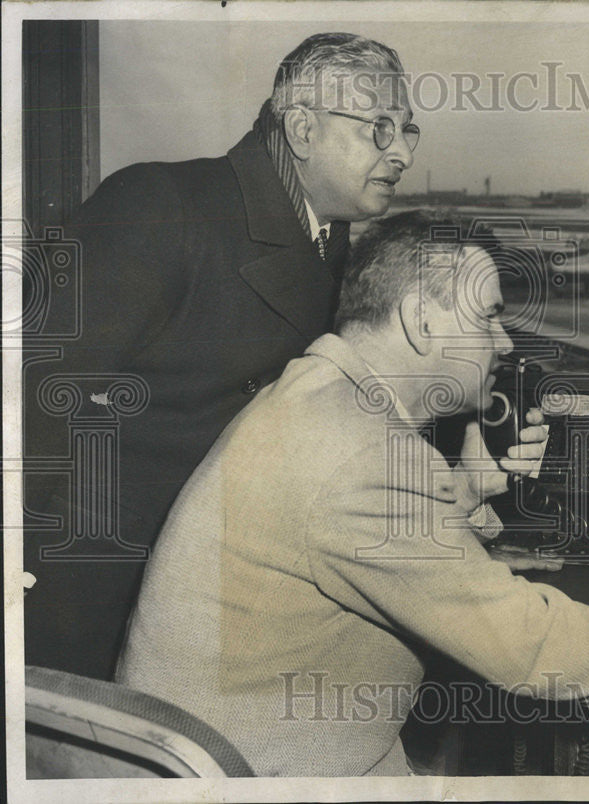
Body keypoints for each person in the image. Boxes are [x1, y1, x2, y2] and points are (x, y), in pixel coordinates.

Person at [116, 211, 589, 776]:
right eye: (487, 316)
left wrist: (469, 487)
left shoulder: (307, 399)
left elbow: (350, 541)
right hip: (273, 775)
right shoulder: (363, 453)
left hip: (231, 750)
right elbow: (525, 647)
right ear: (421, 321)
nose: (504, 340)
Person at [22, 32, 418, 680]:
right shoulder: (159, 208)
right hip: (84, 603)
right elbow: (31, 396)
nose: (400, 152)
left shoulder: (330, 244)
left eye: (408, 131)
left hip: (209, 595)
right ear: (301, 128)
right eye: (379, 128)